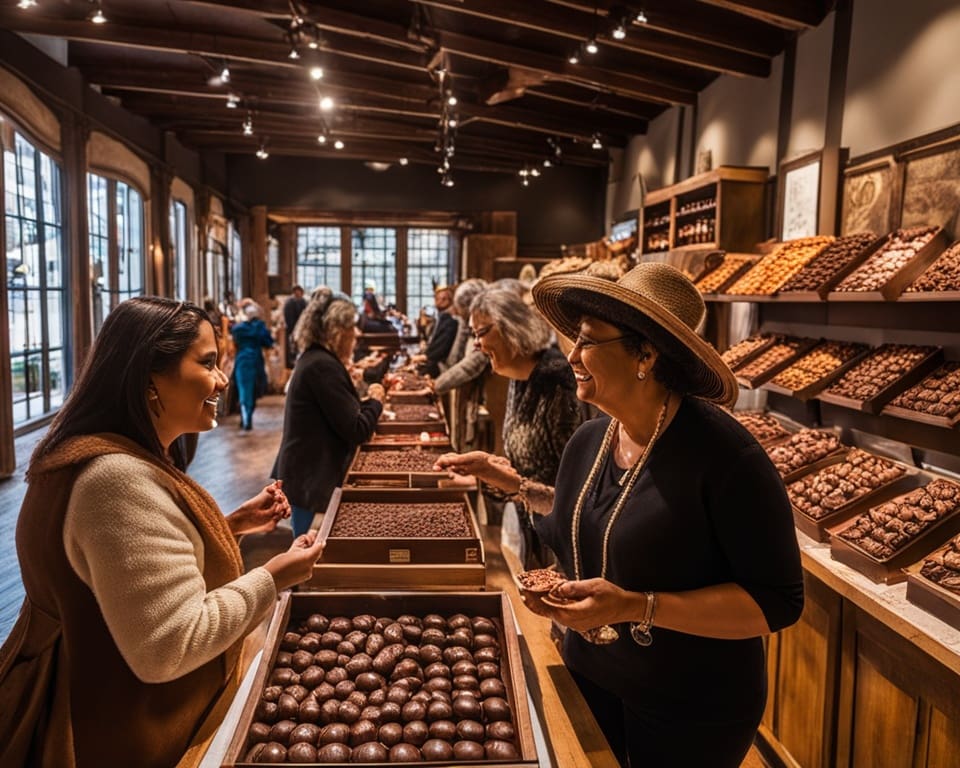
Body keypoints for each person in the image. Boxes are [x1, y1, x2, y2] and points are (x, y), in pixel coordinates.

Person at [448, 263, 805, 766]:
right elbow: (573, 521)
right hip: (589, 678)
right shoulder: (592, 439)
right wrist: (514, 484)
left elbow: (777, 602)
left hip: (689, 708)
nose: (571, 354)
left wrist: (638, 606)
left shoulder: (726, 459)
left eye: (589, 342)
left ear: (646, 355)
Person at [0, 297, 326, 768]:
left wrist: (229, 526)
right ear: (149, 375)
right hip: (123, 732)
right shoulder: (114, 481)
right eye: (208, 362)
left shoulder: (105, 459)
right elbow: (170, 645)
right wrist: (274, 576)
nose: (221, 379)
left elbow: (124, 570)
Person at [435, 286, 582, 567]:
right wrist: (484, 473)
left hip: (565, 543)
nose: (475, 344)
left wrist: (502, 477)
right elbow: (524, 466)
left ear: (511, 329)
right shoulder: (518, 376)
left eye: (481, 333)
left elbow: (574, 491)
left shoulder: (558, 381)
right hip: (535, 527)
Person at [273, 287, 385, 536]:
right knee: (306, 553)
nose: (356, 334)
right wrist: (376, 401)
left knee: (307, 550)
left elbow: (344, 412)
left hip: (308, 471)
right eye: (351, 328)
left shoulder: (317, 359)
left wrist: (366, 404)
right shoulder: (322, 365)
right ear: (337, 332)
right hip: (310, 476)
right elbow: (357, 429)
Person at [230, 302, 274, 431]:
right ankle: (247, 417)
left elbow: (235, 341)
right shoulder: (260, 328)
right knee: (254, 390)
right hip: (256, 361)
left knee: (244, 389)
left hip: (242, 360)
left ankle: (246, 418)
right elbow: (268, 342)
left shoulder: (238, 329)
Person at [413, 284, 457, 377]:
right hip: (432, 359)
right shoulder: (440, 317)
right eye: (437, 299)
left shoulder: (450, 320)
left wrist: (426, 357)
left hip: (440, 364)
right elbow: (430, 339)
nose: (439, 302)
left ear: (450, 300)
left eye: (444, 299)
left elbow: (442, 346)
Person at [282, 285, 307, 369]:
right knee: (292, 346)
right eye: (296, 291)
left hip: (302, 329)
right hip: (292, 328)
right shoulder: (289, 302)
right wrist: (292, 329)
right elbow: (288, 316)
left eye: (299, 291)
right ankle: (292, 363)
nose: (298, 293)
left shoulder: (304, 302)